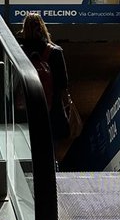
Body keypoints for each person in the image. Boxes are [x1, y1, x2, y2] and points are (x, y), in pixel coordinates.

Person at [19, 12, 78, 160]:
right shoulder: (55, 52)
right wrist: (68, 107)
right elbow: (62, 85)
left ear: (24, 29)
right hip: (53, 111)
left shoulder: (18, 52)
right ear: (43, 27)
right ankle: (50, 174)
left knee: (28, 146)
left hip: (27, 110)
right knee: (50, 150)